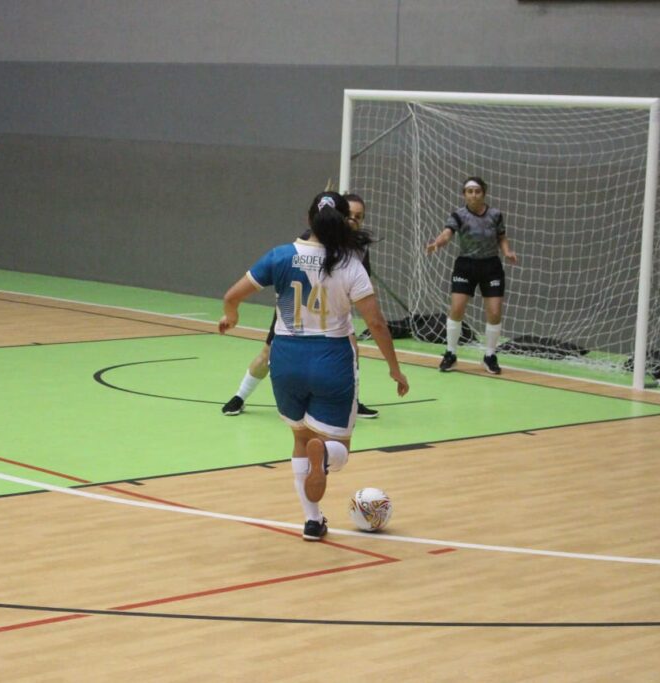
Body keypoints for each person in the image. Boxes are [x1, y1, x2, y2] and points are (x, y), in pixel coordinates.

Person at [219, 191, 409, 541]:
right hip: (331, 357)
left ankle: (312, 520)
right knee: (338, 449)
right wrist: (394, 368)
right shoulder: (350, 263)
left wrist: (231, 314)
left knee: (300, 438)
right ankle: (326, 459)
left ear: (309, 219)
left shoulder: (280, 255)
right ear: (341, 220)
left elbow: (233, 295)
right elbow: (377, 323)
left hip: (286, 357)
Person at [221, 193, 380, 418]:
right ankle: (240, 396)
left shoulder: (358, 249)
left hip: (331, 313)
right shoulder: (312, 241)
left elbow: (360, 287)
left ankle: (352, 399)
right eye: (350, 215)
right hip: (296, 309)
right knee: (267, 355)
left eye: (359, 216)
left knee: (352, 351)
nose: (354, 220)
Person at [425, 176, 517, 374]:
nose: (473, 195)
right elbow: (447, 233)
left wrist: (507, 251)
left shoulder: (495, 215)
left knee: (494, 312)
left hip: (491, 266)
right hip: (465, 265)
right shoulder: (458, 215)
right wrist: (437, 243)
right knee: (457, 308)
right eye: (469, 191)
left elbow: (501, 237)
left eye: (477, 191)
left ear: (483, 193)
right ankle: (450, 354)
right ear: (464, 194)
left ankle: (490, 356)